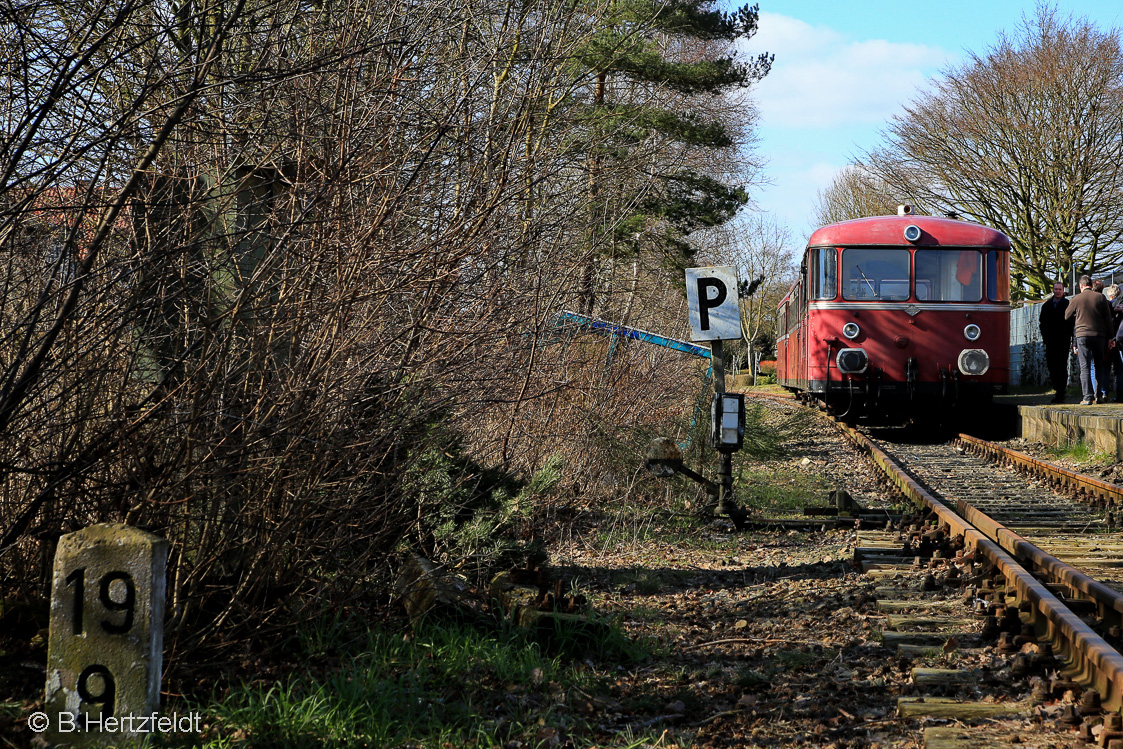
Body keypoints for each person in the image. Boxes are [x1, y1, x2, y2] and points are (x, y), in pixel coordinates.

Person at [1065, 275, 1115, 405]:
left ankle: (1087, 397)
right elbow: (1108, 319)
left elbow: (1066, 316)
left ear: (1081, 286)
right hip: (1099, 335)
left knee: (1085, 366)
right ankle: (1099, 396)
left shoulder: (1076, 299)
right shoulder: (1100, 297)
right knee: (1099, 366)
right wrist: (1111, 337)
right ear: (1091, 285)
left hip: (1082, 335)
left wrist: (1078, 317)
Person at [1039, 281, 1073, 403]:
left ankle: (1061, 392)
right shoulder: (1047, 306)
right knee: (1052, 366)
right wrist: (1045, 338)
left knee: (1062, 366)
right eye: (1056, 289)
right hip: (1050, 341)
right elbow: (1042, 323)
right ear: (1053, 290)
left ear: (1063, 291)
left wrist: (1069, 337)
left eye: (1060, 289)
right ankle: (1056, 387)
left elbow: (1071, 323)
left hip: (1063, 341)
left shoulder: (1067, 304)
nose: (1058, 291)